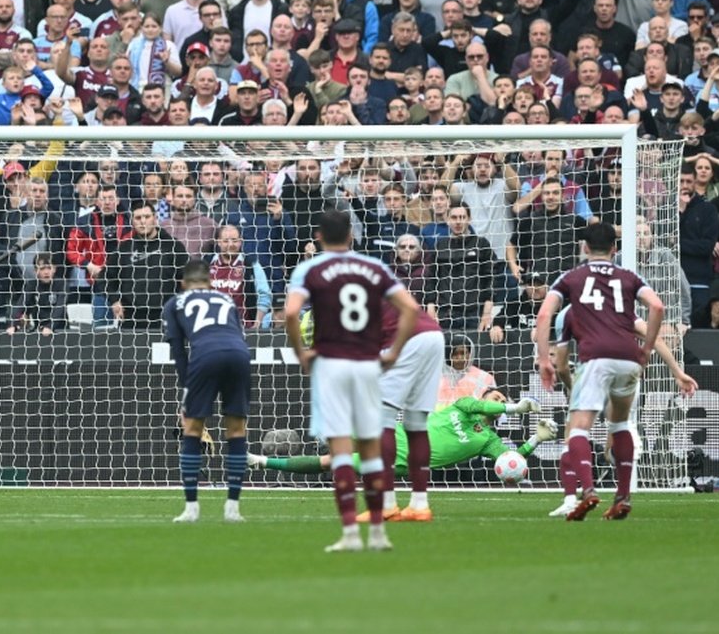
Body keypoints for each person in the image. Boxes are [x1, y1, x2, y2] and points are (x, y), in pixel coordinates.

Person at [284, 209, 420, 553]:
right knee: (371, 451)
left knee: (341, 451)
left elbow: (289, 312)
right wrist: (393, 353)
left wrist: (302, 353)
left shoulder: (311, 268)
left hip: (331, 365)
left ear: (319, 236)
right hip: (366, 364)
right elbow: (411, 309)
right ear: (350, 236)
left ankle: (348, 534)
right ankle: (377, 533)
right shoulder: (373, 267)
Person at [536, 222, 666, 521]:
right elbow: (657, 307)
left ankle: (590, 489)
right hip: (628, 357)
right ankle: (623, 496)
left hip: (595, 357)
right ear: (614, 249)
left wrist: (545, 358)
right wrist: (645, 349)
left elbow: (545, 313)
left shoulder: (571, 277)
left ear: (584, 248)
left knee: (579, 427)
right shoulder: (629, 276)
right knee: (619, 424)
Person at [249, 389, 553, 485]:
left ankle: (263, 461)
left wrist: (535, 440)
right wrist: (513, 406)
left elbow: (510, 463)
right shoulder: (464, 404)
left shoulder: (488, 440)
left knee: (332, 462)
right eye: (495, 395)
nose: (497, 400)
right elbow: (480, 403)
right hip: (392, 431)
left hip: (403, 458)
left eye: (502, 399)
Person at [164, 259, 253, 523]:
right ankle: (233, 509)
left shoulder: (175, 303)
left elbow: (178, 350)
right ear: (210, 282)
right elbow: (238, 334)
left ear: (182, 284)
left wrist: (186, 387)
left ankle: (191, 508)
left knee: (192, 429)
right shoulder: (226, 300)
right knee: (236, 430)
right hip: (239, 355)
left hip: (205, 355)